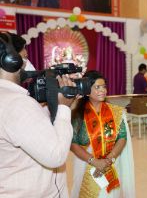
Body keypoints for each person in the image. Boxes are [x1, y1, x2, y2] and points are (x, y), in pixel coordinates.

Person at [0, 32, 76, 197]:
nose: (28, 65)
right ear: (11, 61)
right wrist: (63, 107)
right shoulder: (17, 104)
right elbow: (55, 155)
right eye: (24, 58)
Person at [70, 70, 135, 198]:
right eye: (97, 87)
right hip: (86, 166)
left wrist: (109, 159)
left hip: (110, 165)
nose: (102, 90)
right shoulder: (78, 114)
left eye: (104, 86)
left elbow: (122, 138)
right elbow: (73, 144)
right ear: (87, 90)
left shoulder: (115, 112)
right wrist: (94, 161)